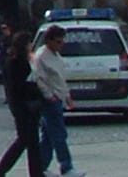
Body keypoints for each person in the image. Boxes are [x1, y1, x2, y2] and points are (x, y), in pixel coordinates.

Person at [0, 30, 45, 177]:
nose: (31, 46)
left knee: (32, 141)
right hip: (22, 105)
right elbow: (17, 85)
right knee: (24, 140)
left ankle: (36, 172)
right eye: (29, 43)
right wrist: (34, 88)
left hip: (27, 105)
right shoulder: (14, 62)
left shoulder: (25, 60)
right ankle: (1, 168)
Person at [32, 24, 79, 177]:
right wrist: (49, 95)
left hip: (58, 97)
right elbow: (39, 79)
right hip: (50, 100)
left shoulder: (56, 55)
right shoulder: (41, 56)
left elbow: (60, 78)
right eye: (58, 42)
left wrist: (67, 96)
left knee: (48, 136)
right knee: (59, 134)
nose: (61, 44)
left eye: (62, 41)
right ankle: (66, 167)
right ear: (49, 41)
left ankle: (40, 167)